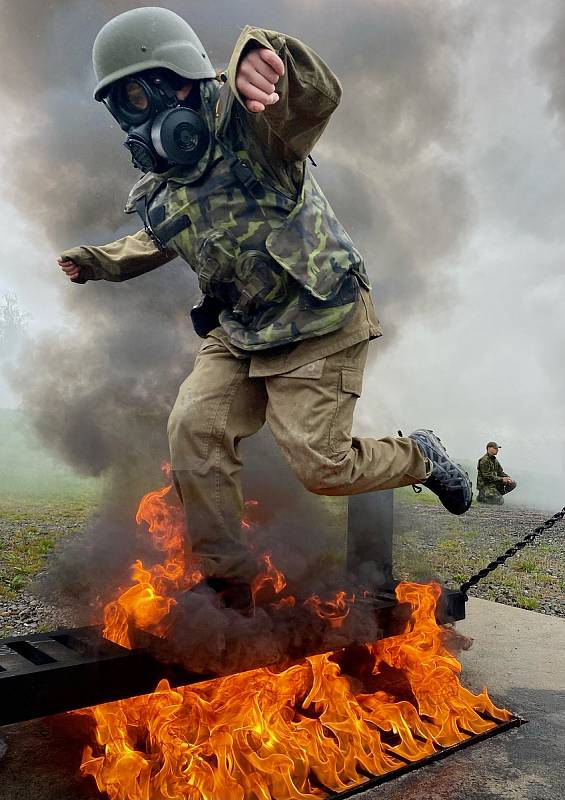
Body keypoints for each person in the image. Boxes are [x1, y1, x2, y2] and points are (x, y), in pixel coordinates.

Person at [57, 7, 472, 610]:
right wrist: (97, 261)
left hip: (320, 320)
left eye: (150, 88)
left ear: (190, 77)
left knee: (322, 468)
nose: (145, 111)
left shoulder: (255, 128)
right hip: (243, 329)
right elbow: (157, 237)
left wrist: (268, 55)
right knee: (193, 428)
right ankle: (230, 585)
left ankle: (421, 456)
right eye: (126, 102)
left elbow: (314, 99)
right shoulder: (159, 189)